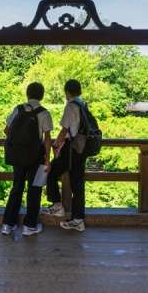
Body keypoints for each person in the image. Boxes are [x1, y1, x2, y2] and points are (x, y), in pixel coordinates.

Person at [1, 82, 53, 236]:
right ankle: (29, 226)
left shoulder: (18, 109)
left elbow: (6, 130)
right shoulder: (44, 113)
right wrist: (48, 159)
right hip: (35, 157)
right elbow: (47, 139)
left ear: (27, 94)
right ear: (42, 95)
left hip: (17, 156)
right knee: (34, 189)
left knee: (16, 188)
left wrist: (19, 144)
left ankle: (7, 225)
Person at [43, 79, 87, 232]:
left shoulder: (71, 106)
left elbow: (64, 131)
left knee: (51, 171)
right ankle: (78, 219)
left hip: (71, 148)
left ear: (67, 92)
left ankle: (57, 206)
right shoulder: (83, 104)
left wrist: (55, 145)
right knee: (78, 184)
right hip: (82, 147)